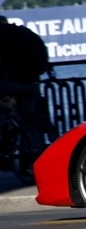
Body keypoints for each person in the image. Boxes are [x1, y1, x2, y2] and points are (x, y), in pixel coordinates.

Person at [0, 16, 49, 174]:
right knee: (29, 120)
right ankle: (38, 159)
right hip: (32, 82)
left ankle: (6, 143)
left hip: (11, 82)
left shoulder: (2, 36)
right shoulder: (25, 33)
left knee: (5, 111)